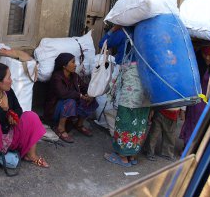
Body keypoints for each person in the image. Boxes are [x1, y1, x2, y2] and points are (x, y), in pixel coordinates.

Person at [101, 25, 150, 167]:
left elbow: (102, 44)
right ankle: (132, 156)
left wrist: (112, 30)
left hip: (131, 89)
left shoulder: (124, 32)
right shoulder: (148, 34)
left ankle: (122, 157)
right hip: (147, 88)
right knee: (139, 121)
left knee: (125, 120)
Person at [44, 53, 98, 143]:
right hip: (54, 110)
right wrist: (80, 95)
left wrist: (89, 94)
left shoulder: (75, 76)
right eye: (73, 62)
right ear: (64, 65)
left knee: (90, 99)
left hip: (68, 108)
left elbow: (84, 87)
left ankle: (79, 124)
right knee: (70, 102)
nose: (75, 64)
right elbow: (63, 94)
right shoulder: (56, 77)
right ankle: (60, 129)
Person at [179, 45, 210, 147]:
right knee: (193, 121)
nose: (207, 58)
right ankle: (188, 145)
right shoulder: (196, 66)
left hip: (208, 100)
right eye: (205, 54)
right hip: (197, 98)